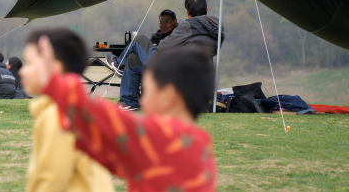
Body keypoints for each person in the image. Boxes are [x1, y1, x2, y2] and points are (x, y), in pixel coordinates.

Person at [24, 33, 217, 192]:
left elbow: (95, 113)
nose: (141, 100)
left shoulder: (160, 136)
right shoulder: (201, 144)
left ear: (168, 96)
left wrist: (51, 80)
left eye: (148, 91)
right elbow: (122, 161)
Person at [21, 28, 115, 192]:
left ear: (53, 67)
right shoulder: (74, 109)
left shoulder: (58, 116)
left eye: (28, 63)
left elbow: (51, 180)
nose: (22, 71)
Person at [117, 0, 224, 111]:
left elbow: (163, 46)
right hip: (193, 72)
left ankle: (118, 65)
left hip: (172, 70)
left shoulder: (187, 25)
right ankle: (128, 103)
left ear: (187, 12)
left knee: (139, 39)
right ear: (207, 9)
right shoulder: (217, 27)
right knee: (133, 59)